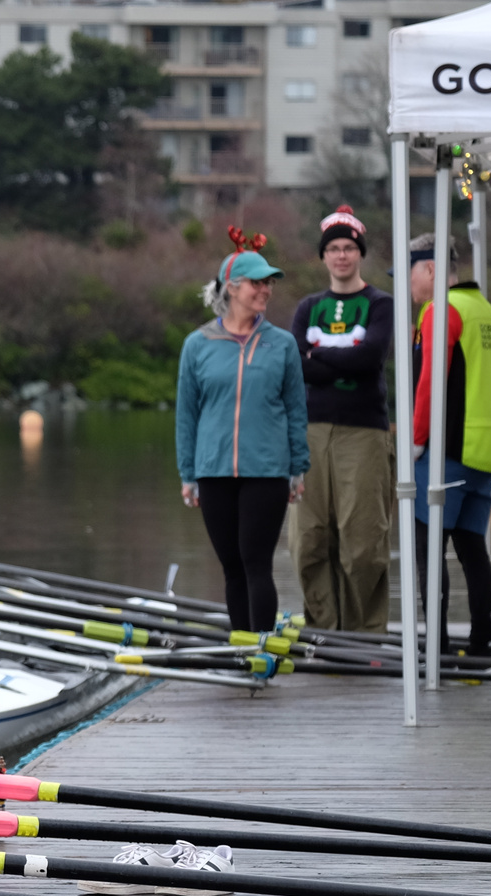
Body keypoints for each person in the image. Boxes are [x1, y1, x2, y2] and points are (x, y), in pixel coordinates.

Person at [176, 226, 310, 633]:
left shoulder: (282, 344)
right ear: (232, 288)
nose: (266, 290)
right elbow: (187, 414)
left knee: (256, 563)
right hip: (213, 470)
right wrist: (187, 473)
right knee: (232, 567)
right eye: (258, 283)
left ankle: (261, 652)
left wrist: (298, 467)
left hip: (267, 471)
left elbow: (295, 408)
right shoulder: (197, 344)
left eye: (269, 284)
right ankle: (241, 650)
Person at [289, 205, 395, 633]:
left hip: (363, 432)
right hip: (311, 431)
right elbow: (295, 364)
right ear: (323, 256)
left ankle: (364, 634)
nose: (341, 256)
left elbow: (370, 360)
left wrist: (320, 356)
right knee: (309, 539)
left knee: (362, 541)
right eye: (333, 248)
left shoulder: (379, 304)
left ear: (360, 253)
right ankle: (323, 629)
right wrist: (339, 360)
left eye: (348, 247)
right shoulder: (308, 307)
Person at [407, 233, 491, 656]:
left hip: (446, 450)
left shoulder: (440, 311)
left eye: (408, 273)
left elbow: (431, 382)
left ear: (429, 269)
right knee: (471, 549)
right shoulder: (484, 309)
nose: (405, 284)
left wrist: (415, 440)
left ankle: (438, 646)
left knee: (428, 552)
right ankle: (482, 637)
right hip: (484, 451)